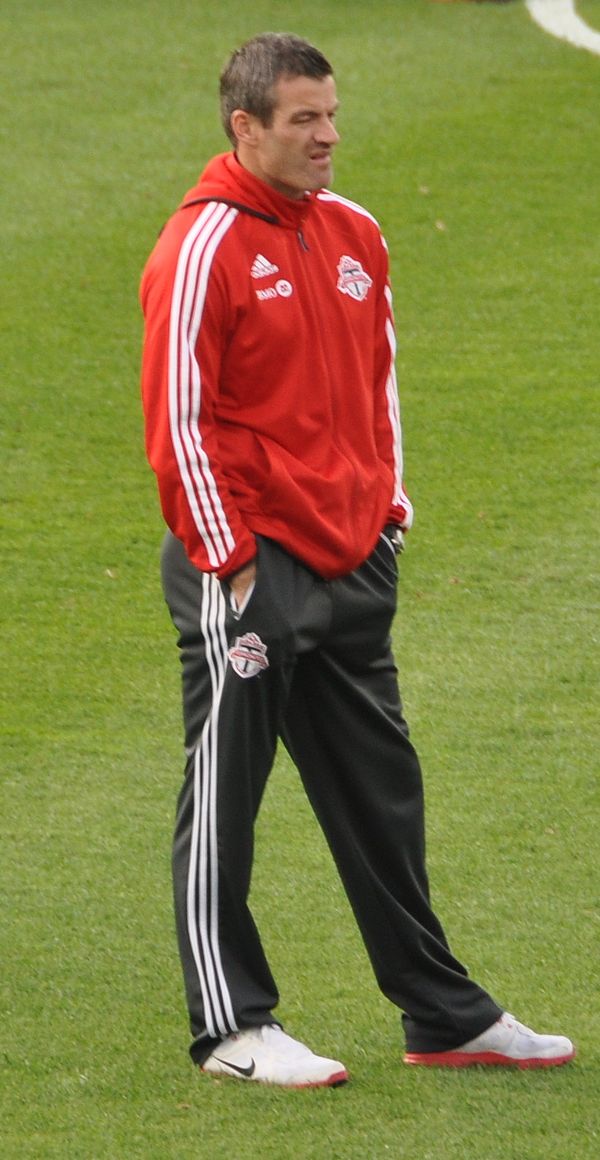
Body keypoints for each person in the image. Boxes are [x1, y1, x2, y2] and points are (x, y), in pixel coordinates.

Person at [139, 32, 574, 1087]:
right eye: (304, 119)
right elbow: (179, 419)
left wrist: (390, 508)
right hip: (249, 567)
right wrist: (232, 562)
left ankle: (443, 1013)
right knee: (223, 796)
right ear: (247, 127)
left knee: (383, 795)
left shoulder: (355, 232)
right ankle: (232, 1024)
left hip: (350, 559)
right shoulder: (200, 247)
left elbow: (378, 381)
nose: (329, 135)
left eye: (332, 114)